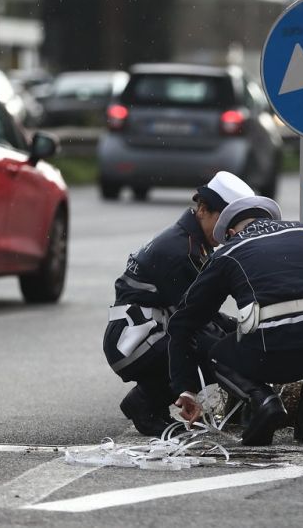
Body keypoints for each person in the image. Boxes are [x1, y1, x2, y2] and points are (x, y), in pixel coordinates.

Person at [167, 196, 303, 446]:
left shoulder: (229, 251)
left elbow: (185, 321)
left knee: (217, 353)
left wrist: (185, 387)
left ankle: (263, 400)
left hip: (271, 353)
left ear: (232, 232)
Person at [103, 172, 255, 436]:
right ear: (203, 210)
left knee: (220, 340)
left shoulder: (189, 241)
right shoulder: (181, 250)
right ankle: (144, 404)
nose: (231, 230)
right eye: (227, 220)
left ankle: (153, 401)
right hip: (132, 341)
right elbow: (193, 319)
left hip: (141, 334)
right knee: (213, 349)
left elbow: (199, 310)